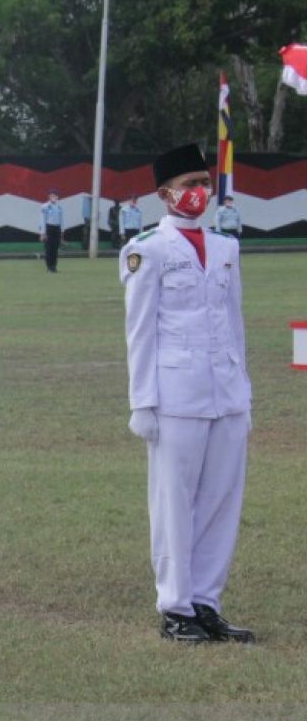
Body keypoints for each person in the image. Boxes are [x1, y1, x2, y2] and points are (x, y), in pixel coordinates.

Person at [119, 143, 254, 645]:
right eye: (189, 183)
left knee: (221, 501)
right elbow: (140, 331)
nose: (199, 192)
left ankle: (206, 601)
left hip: (226, 391)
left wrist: (245, 391)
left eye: (204, 182)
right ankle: (176, 607)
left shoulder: (225, 248)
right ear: (164, 193)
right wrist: (142, 403)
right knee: (174, 503)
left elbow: (234, 322)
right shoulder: (148, 249)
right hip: (175, 392)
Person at [38, 190, 63, 273]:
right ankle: (49, 267)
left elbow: (61, 220)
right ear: (49, 197)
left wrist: (62, 231)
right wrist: (43, 233)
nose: (53, 197)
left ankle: (54, 267)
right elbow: (42, 220)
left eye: (55, 196)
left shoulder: (59, 207)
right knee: (49, 249)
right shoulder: (45, 207)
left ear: (57, 197)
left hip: (57, 228)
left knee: (55, 249)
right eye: (51, 196)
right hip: (48, 228)